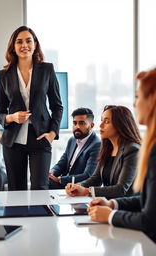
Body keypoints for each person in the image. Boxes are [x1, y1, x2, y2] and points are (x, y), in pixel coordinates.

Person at [88, 68, 156, 243]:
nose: (135, 104)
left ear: (153, 98)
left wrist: (110, 215)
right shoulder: (149, 147)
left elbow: (149, 220)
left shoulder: (141, 150)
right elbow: (146, 201)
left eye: (137, 96)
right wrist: (112, 204)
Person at [0, 26, 63, 190]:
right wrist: (12, 117)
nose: (24, 45)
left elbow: (57, 106)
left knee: (40, 188)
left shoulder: (47, 69)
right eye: (19, 42)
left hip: (41, 137)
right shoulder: (4, 75)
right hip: (13, 141)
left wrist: (53, 133)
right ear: (13, 46)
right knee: (15, 189)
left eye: (28, 41)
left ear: (35, 44)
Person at [65, 105, 141, 199]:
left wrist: (87, 191)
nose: (100, 125)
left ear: (120, 124)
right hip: (108, 203)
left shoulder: (133, 150)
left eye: (106, 121)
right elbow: (96, 179)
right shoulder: (107, 148)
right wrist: (76, 186)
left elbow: (121, 189)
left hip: (126, 208)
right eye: (101, 121)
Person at [49, 108, 100, 189]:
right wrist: (52, 172)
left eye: (82, 123)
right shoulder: (72, 140)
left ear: (91, 125)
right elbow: (62, 163)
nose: (77, 127)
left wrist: (60, 179)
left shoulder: (97, 145)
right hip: (64, 183)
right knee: (41, 179)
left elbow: (88, 175)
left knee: (43, 184)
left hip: (79, 186)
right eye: (74, 123)